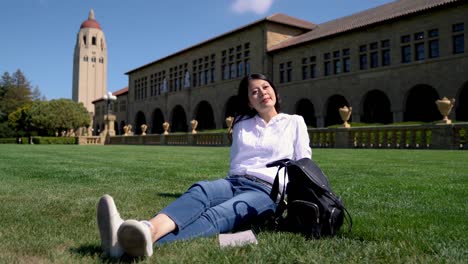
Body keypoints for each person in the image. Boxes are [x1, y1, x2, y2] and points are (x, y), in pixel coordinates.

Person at [96, 73, 312, 258]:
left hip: (266, 191)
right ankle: (147, 228)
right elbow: (238, 161)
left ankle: (129, 243)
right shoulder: (242, 124)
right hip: (235, 181)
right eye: (254, 91)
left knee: (217, 214)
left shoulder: (294, 122)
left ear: (274, 90)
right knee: (201, 190)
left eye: (265, 87)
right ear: (248, 102)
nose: (262, 92)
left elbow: (304, 165)